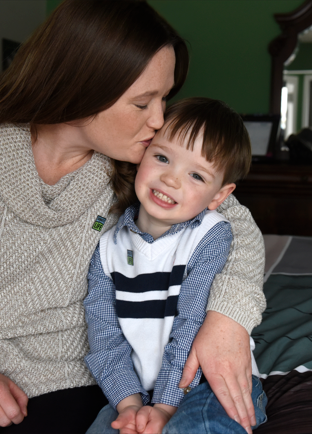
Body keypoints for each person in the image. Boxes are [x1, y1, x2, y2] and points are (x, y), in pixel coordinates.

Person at [0, 1, 265, 433]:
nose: (159, 119)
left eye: (165, 97)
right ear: (82, 87)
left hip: (79, 382)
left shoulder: (144, 161)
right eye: (143, 102)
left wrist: (227, 319)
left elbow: (234, 222)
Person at [84, 97, 267, 434]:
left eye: (196, 175)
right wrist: (131, 405)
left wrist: (166, 408)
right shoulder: (107, 247)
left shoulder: (210, 236)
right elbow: (104, 337)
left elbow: (192, 324)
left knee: (200, 427)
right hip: (139, 393)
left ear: (219, 196)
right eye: (163, 157)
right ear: (142, 155)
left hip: (210, 383)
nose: (171, 179)